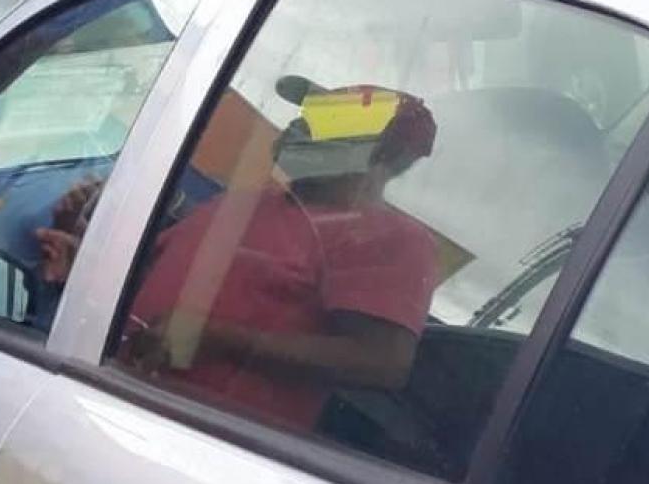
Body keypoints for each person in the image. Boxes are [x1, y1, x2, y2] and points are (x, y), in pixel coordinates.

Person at [120, 85, 441, 433]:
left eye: (327, 120)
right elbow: (152, 276)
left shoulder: (387, 237)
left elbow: (381, 362)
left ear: (380, 153)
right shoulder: (243, 202)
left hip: (203, 442)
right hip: (115, 403)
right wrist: (76, 250)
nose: (297, 127)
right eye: (304, 115)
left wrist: (216, 338)